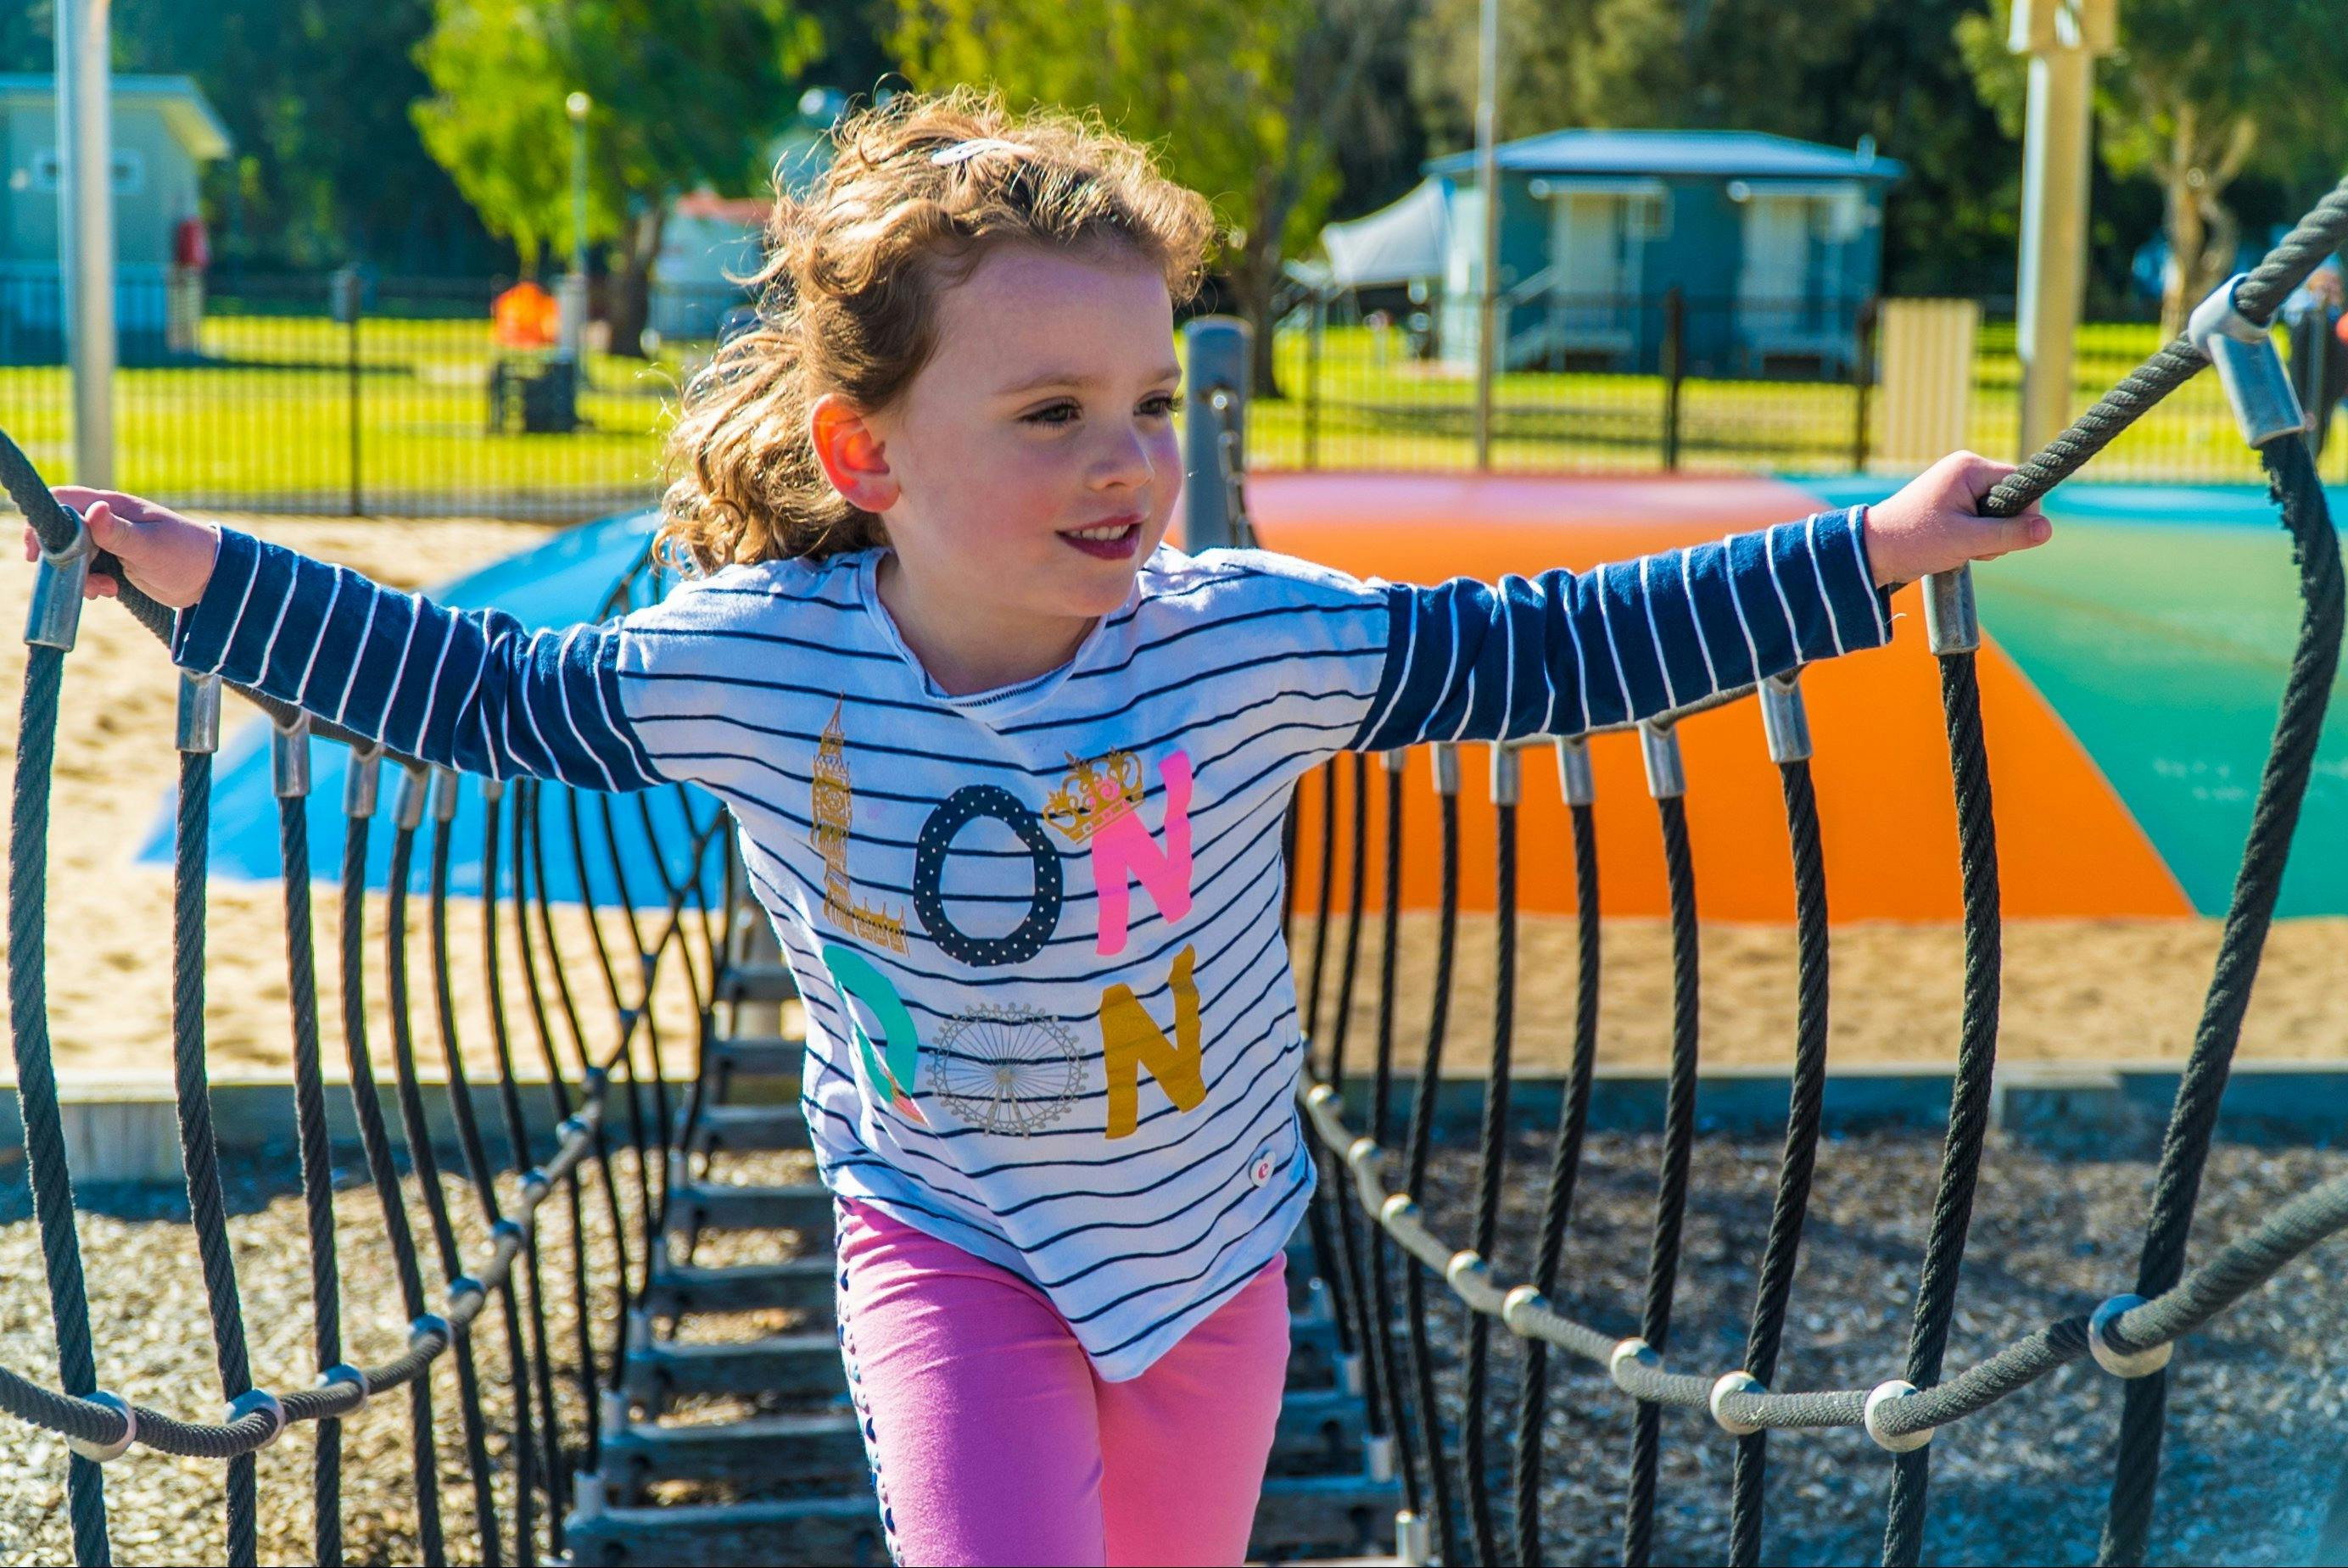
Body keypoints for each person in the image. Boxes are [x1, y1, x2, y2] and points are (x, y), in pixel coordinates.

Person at [27, 86, 2049, 1568]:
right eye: (1050, 412)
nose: (1132, 464)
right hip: (945, 1234)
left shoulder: (1238, 644)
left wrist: (1859, 552)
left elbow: (1536, 654)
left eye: (1151, 403)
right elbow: (487, 697)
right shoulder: (754, 664)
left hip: (1214, 1256)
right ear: (865, 453)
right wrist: (211, 578)